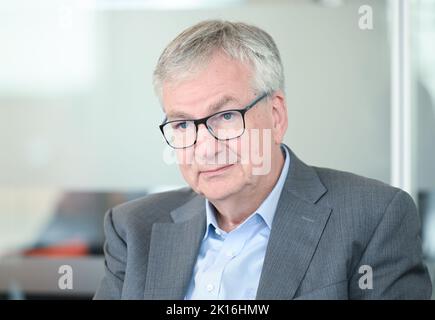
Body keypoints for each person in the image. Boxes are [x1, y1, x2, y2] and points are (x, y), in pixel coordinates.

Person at [94, 20, 432, 299]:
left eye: (225, 116)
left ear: (276, 116)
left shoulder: (373, 217)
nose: (206, 148)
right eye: (182, 124)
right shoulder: (134, 229)